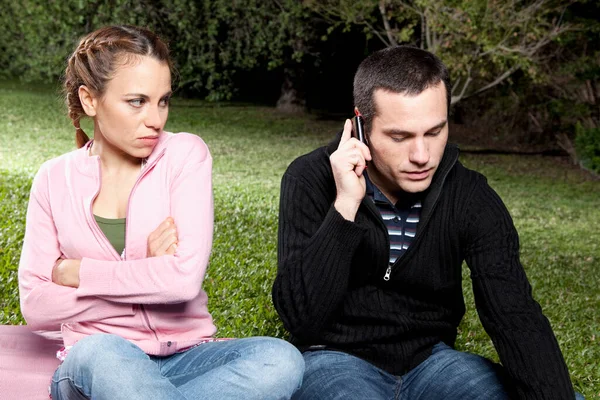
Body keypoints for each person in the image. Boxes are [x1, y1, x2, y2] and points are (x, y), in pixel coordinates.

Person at [272, 45, 582, 399]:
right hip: (333, 362)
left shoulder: (469, 195)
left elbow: (515, 315)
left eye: (434, 132)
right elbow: (301, 319)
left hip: (433, 363)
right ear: (360, 124)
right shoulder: (310, 178)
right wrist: (345, 205)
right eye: (400, 137)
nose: (422, 156)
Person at [18, 25, 304, 400]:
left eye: (163, 101)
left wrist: (79, 273)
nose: (156, 119)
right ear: (89, 100)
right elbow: (36, 305)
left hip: (185, 358)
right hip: (98, 360)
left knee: (280, 360)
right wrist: (146, 275)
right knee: (106, 352)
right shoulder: (54, 178)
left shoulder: (185, 156)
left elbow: (182, 283)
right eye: (137, 101)